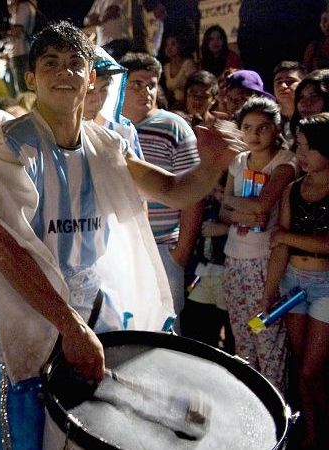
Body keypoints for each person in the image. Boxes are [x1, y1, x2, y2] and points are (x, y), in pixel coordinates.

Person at [0, 21, 243, 448]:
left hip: (94, 323)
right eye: (51, 63)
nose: (64, 73)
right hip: (33, 323)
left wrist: (210, 166)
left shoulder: (105, 144)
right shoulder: (11, 146)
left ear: (91, 77)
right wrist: (70, 327)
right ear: (31, 78)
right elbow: (5, 253)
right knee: (31, 438)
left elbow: (171, 190)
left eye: (75, 63)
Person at [219, 97, 296, 394]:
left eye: (262, 127)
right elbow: (226, 210)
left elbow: (263, 206)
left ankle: (278, 417)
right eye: (248, 128)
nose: (254, 134)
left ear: (275, 128)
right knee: (244, 338)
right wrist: (245, 209)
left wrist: (239, 205)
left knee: (268, 337)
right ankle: (250, 409)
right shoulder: (239, 161)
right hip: (234, 258)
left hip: (265, 262)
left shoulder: (285, 162)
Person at [120, 52, 203, 330]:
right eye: (136, 84)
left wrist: (180, 254)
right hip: (121, 252)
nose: (146, 91)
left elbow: (193, 194)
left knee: (167, 334)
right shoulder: (110, 127)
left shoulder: (174, 126)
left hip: (163, 250)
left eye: (151, 84)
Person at [262, 113, 329, 450]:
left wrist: (288, 237)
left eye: (308, 148)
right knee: (299, 363)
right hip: (294, 283)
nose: (300, 154)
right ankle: (312, 435)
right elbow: (279, 249)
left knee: (311, 370)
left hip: (326, 286)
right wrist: (268, 294)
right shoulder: (292, 190)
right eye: (298, 146)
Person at [83, 46, 144, 159]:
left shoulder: (123, 130)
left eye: (103, 89)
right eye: (89, 91)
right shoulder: (59, 131)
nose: (98, 99)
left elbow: (139, 174)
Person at [272, 61, 306, 147]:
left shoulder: (313, 117)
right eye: (278, 82)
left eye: (290, 81)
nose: (283, 86)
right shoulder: (268, 118)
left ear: (304, 85)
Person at [161, 33, 197, 110]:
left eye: (173, 44)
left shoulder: (188, 64)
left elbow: (193, 87)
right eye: (167, 45)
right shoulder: (166, 67)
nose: (169, 48)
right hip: (174, 105)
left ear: (181, 46)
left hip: (189, 104)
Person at [6, 0, 37, 93]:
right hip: (22, 52)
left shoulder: (23, 7)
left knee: (23, 90)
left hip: (21, 53)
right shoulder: (27, 6)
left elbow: (17, 31)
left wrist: (3, 32)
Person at [303, 8, 329, 72]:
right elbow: (305, 73)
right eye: (322, 21)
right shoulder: (314, 47)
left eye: (326, 20)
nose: (323, 24)